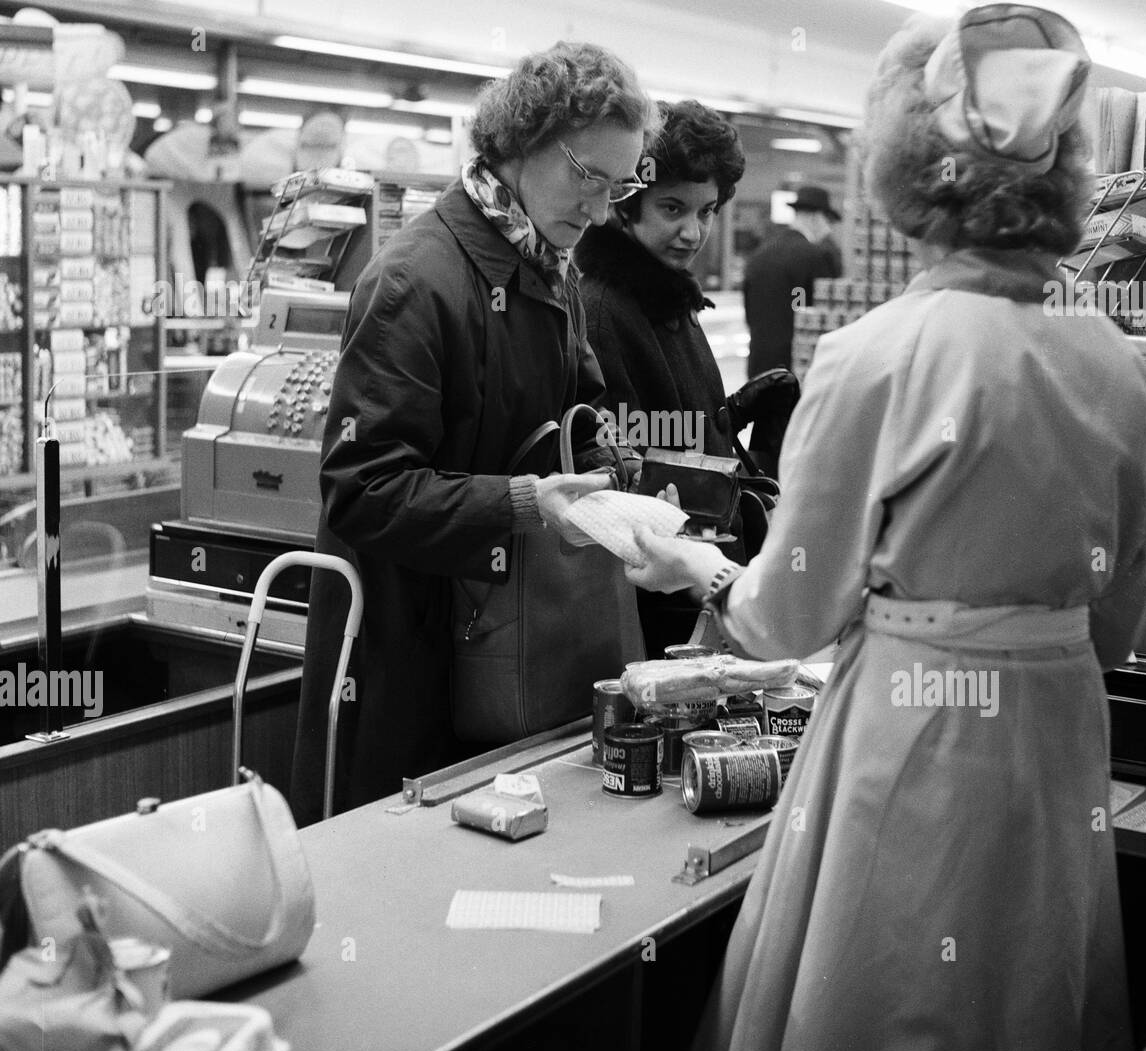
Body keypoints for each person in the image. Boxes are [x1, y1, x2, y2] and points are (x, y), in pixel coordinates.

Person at [624, 3, 1146, 1051]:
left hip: (911, 727)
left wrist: (697, 568)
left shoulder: (874, 355)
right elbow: (1113, 630)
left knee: (885, 995)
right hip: (1058, 730)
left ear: (909, 167)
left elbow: (789, 609)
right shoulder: (1122, 370)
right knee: (1025, 993)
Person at [290, 41, 659, 824]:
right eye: (586, 177)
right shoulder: (415, 279)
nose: (598, 211)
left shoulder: (550, 264)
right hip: (411, 653)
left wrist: (613, 478)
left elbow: (569, 418)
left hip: (507, 646)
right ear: (521, 142)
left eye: (617, 187)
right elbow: (363, 490)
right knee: (404, 898)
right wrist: (524, 502)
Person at [576, 98, 791, 651]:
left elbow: (669, 423)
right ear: (627, 204)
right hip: (665, 595)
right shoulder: (605, 308)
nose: (693, 232)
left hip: (706, 573)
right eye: (673, 209)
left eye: (707, 211)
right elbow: (625, 461)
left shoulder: (669, 297)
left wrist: (739, 409)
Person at [741, 183, 842, 377]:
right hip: (794, 368)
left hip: (758, 364)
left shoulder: (760, 254)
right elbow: (817, 314)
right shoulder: (814, 256)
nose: (828, 230)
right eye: (828, 221)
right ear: (815, 217)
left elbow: (749, 310)